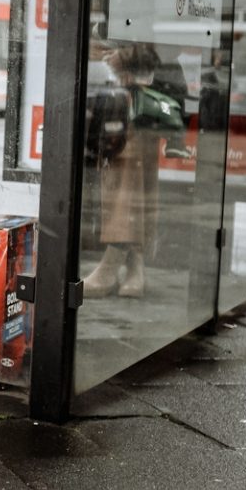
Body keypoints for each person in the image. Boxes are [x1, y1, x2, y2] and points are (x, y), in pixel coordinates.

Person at [84, 41, 166, 298]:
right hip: (117, 98)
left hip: (129, 103)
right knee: (131, 181)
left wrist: (124, 56)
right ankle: (135, 266)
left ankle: (113, 263)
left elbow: (153, 48)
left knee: (124, 181)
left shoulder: (134, 12)